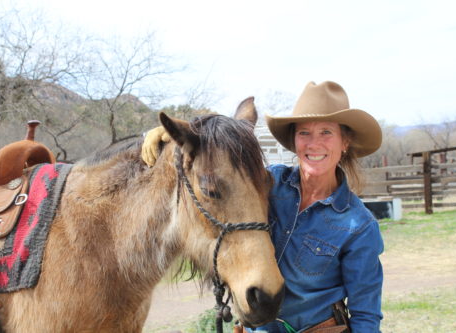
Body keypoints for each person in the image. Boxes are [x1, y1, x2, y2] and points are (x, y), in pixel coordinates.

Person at [142, 81, 384, 333]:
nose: (314, 143)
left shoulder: (358, 225)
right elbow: (218, 154)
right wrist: (169, 138)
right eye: (304, 133)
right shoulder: (268, 183)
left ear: (345, 142)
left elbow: (366, 314)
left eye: (326, 132)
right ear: (294, 141)